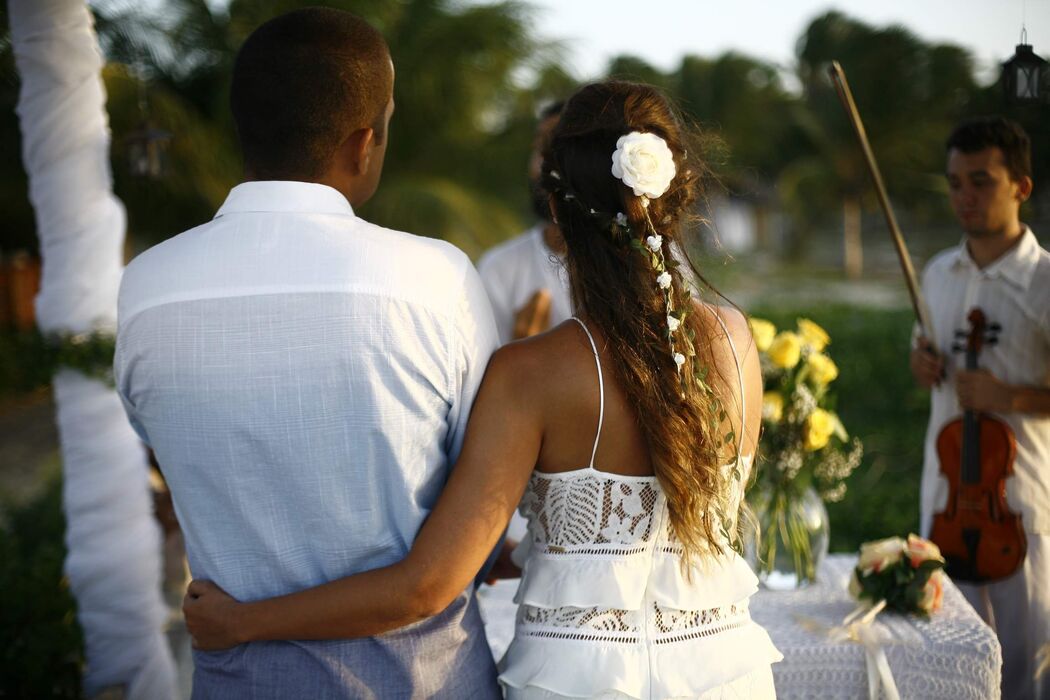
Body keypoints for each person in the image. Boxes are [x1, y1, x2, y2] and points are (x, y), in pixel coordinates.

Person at [183, 80, 782, 699]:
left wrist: (241, 622)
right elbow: (662, 525)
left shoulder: (531, 374)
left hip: (581, 682)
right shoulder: (735, 341)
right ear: (675, 197)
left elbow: (426, 586)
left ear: (555, 208)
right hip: (724, 673)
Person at [114, 9, 501, 698]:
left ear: (242, 129)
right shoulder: (437, 280)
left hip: (241, 680)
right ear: (364, 141)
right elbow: (481, 492)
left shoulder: (145, 287)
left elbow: (163, 456)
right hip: (422, 681)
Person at [910, 116, 1050, 700]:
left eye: (981, 181)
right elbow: (922, 355)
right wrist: (922, 365)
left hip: (1018, 502)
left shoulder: (1045, 280)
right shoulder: (939, 273)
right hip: (944, 498)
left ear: (1021, 186)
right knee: (944, 652)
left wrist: (1008, 397)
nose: (964, 196)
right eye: (954, 183)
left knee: (1025, 663)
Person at [477, 101, 573, 345]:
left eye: (557, 148)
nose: (543, 166)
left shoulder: (654, 270)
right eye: (540, 148)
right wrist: (522, 351)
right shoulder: (498, 268)